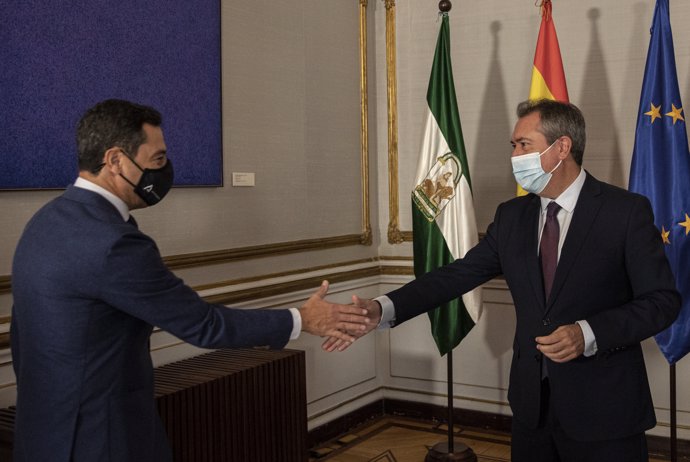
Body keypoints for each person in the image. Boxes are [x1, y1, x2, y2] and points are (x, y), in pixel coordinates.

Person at [10, 99, 370, 462]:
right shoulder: (114, 242)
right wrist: (302, 319)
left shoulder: (45, 222)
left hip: (42, 432)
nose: (164, 171)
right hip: (102, 439)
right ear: (116, 160)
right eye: (158, 160)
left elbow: (23, 336)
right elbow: (204, 325)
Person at [326, 99, 681, 462]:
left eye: (523, 145)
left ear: (562, 147)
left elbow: (662, 301)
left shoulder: (624, 211)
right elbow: (457, 275)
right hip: (532, 407)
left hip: (605, 410)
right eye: (513, 145)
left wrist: (587, 333)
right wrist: (381, 308)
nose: (514, 155)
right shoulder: (512, 216)